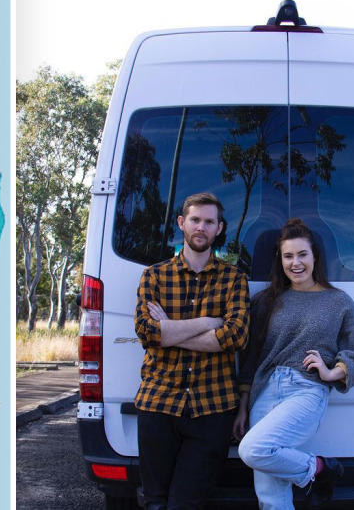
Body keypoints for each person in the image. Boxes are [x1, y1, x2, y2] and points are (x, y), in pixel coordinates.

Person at [235, 218, 354, 509]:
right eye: (288, 256)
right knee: (270, 497)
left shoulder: (338, 301)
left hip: (305, 390)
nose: (296, 263)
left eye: (302, 255)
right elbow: (250, 357)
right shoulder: (268, 300)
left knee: (253, 449)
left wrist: (331, 372)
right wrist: (243, 405)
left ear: (315, 257)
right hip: (264, 392)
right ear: (281, 260)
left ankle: (318, 469)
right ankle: (319, 470)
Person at [133, 192, 249, 510]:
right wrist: (209, 322)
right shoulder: (154, 276)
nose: (201, 227)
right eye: (195, 220)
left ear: (219, 229)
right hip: (158, 403)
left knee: (187, 504)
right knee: (154, 502)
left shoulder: (234, 280)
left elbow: (235, 336)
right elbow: (146, 331)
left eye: (209, 222)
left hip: (212, 408)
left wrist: (169, 330)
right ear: (182, 223)